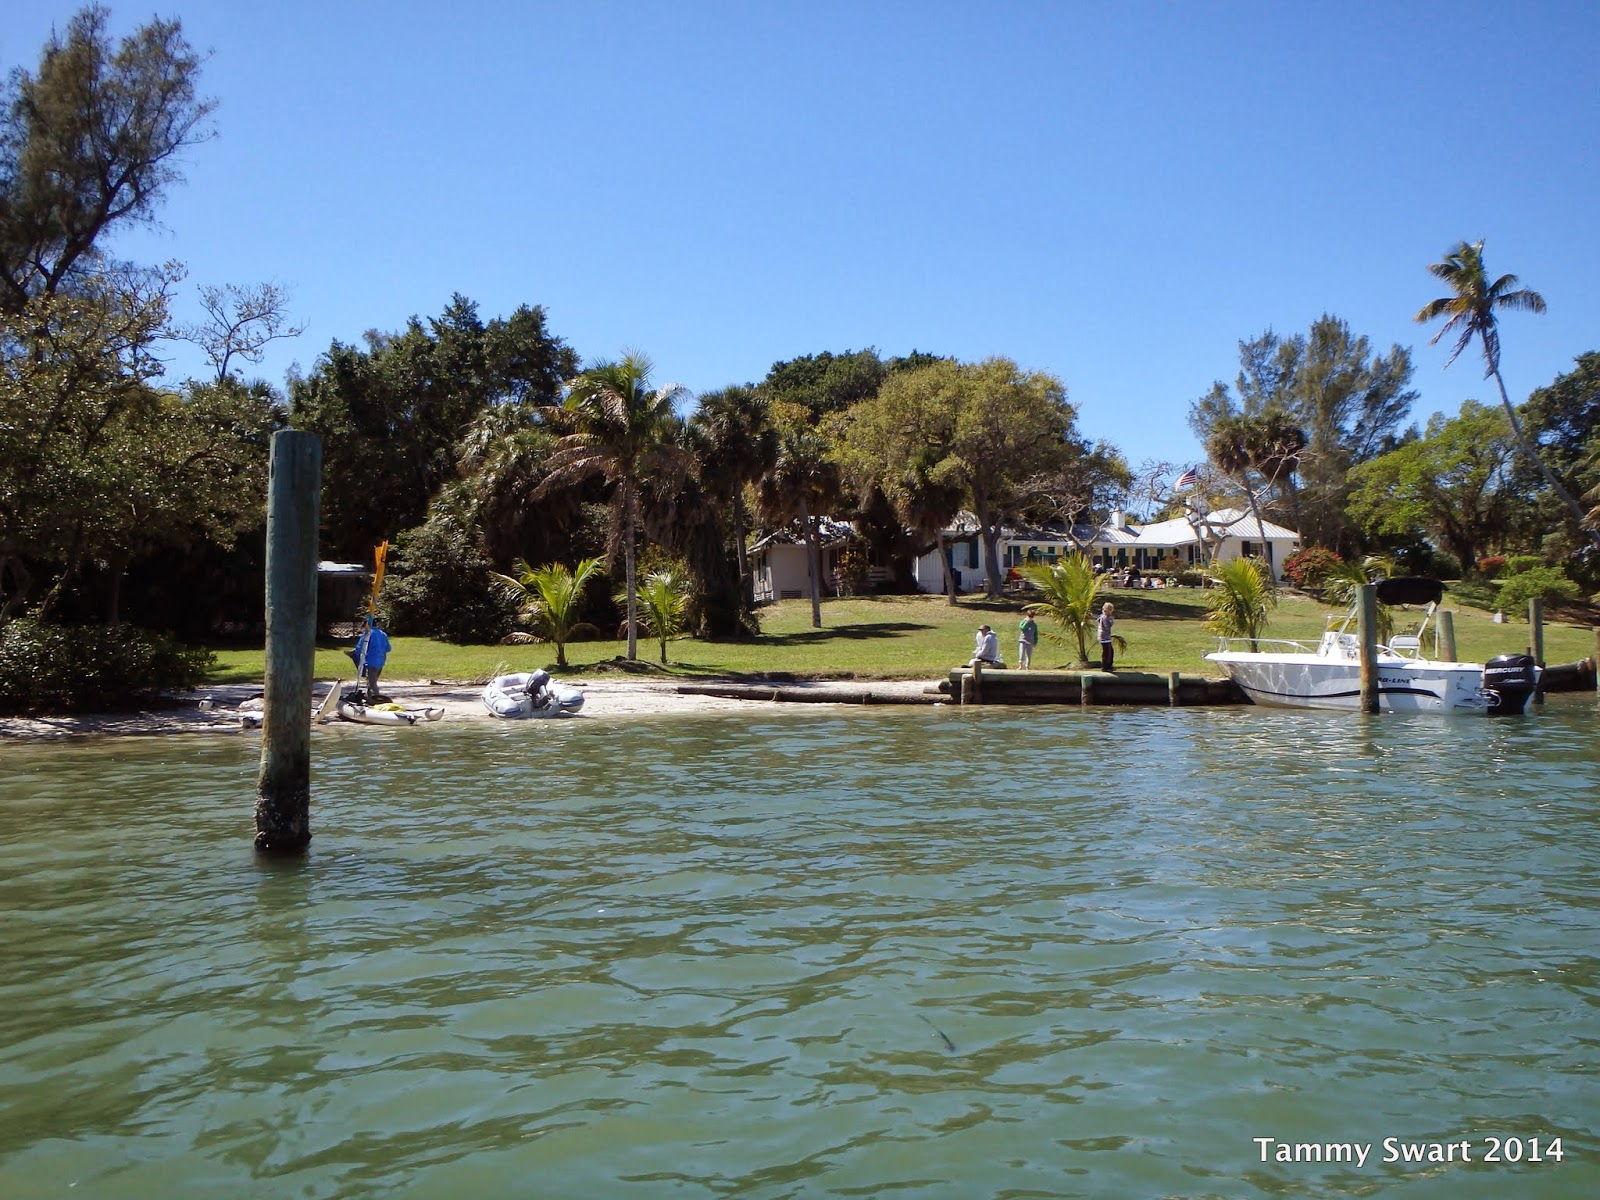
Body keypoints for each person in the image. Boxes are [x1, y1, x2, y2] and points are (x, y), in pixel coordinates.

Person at [352, 614, 391, 700]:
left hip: (371, 661)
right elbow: (388, 648)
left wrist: (353, 654)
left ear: (367, 624)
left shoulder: (367, 634)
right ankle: (370, 697)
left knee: (372, 682)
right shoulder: (382, 634)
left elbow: (359, 648)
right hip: (381, 662)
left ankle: (377, 698)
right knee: (372, 681)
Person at [1096, 602, 1116, 672]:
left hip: (1104, 637)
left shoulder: (1102, 617)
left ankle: (1108, 665)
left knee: (1109, 651)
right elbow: (1107, 626)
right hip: (1105, 637)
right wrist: (1111, 621)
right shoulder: (1105, 618)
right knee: (1108, 652)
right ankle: (1106, 666)